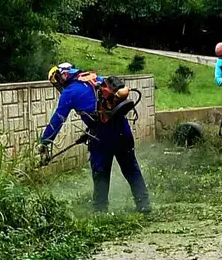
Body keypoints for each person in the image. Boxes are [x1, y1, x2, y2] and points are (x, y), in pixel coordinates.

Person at [40, 62, 151, 212]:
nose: (59, 84)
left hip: (101, 136)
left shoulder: (69, 92)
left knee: (101, 174)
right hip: (122, 129)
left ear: (64, 75)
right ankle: (144, 205)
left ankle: (100, 210)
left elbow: (58, 119)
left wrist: (45, 141)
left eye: (58, 80)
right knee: (131, 168)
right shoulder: (95, 77)